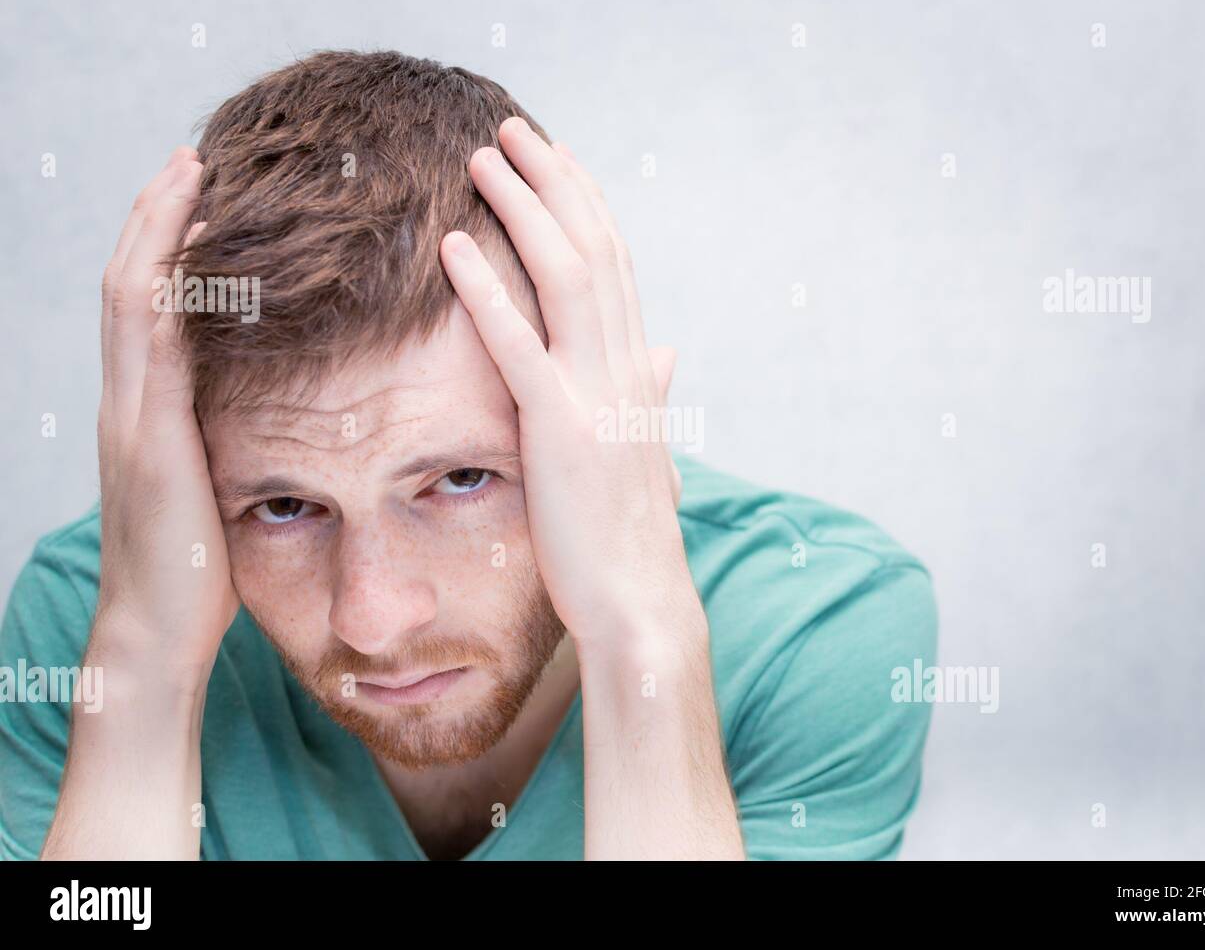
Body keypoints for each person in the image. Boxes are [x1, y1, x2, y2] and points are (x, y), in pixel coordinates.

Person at [0, 50, 937, 861]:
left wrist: (644, 636)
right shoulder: (91, 622)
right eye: (283, 507)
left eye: (460, 479)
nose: (372, 621)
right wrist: (141, 660)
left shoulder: (819, 624)